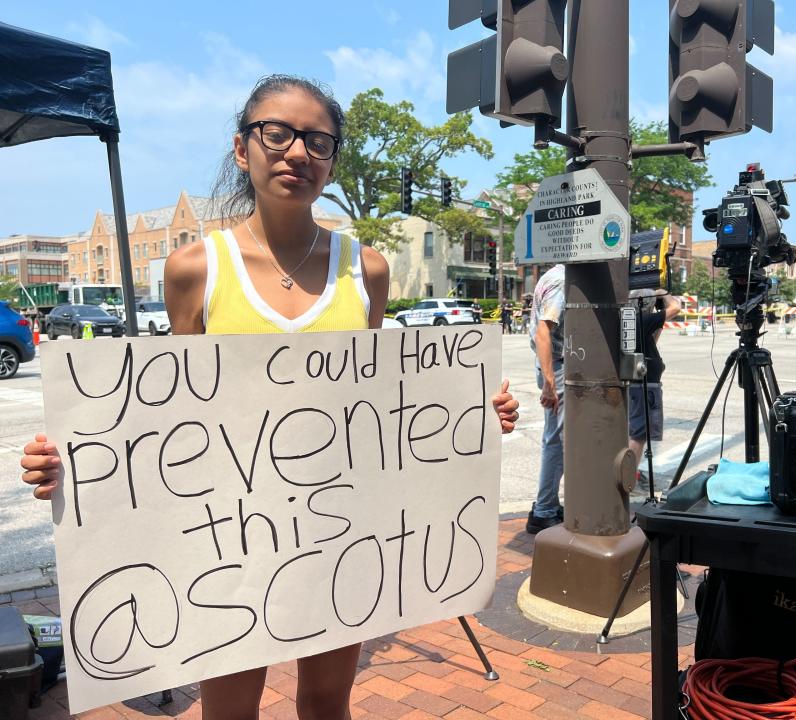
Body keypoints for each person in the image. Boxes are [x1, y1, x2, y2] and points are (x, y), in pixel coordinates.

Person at [19, 74, 519, 720]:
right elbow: (168, 418)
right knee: (228, 710)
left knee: (326, 702)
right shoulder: (196, 269)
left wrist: (469, 417)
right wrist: (71, 465)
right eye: (276, 133)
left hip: (342, 530)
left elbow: (377, 408)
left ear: (333, 158)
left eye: (318, 140)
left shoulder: (364, 269)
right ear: (241, 148)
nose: (297, 153)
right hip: (228, 541)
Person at [527, 264, 565, 535]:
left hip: (552, 365)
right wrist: (550, 382)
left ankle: (546, 503)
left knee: (554, 438)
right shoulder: (564, 280)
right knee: (558, 441)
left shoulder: (552, 274)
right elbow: (544, 331)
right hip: (558, 365)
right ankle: (544, 510)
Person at [628, 290, 680, 484]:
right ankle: (628, 477)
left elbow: (652, 340)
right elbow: (676, 307)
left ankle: (629, 471)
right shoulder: (642, 319)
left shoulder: (631, 320)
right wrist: (664, 294)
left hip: (637, 383)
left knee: (633, 430)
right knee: (639, 433)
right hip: (644, 384)